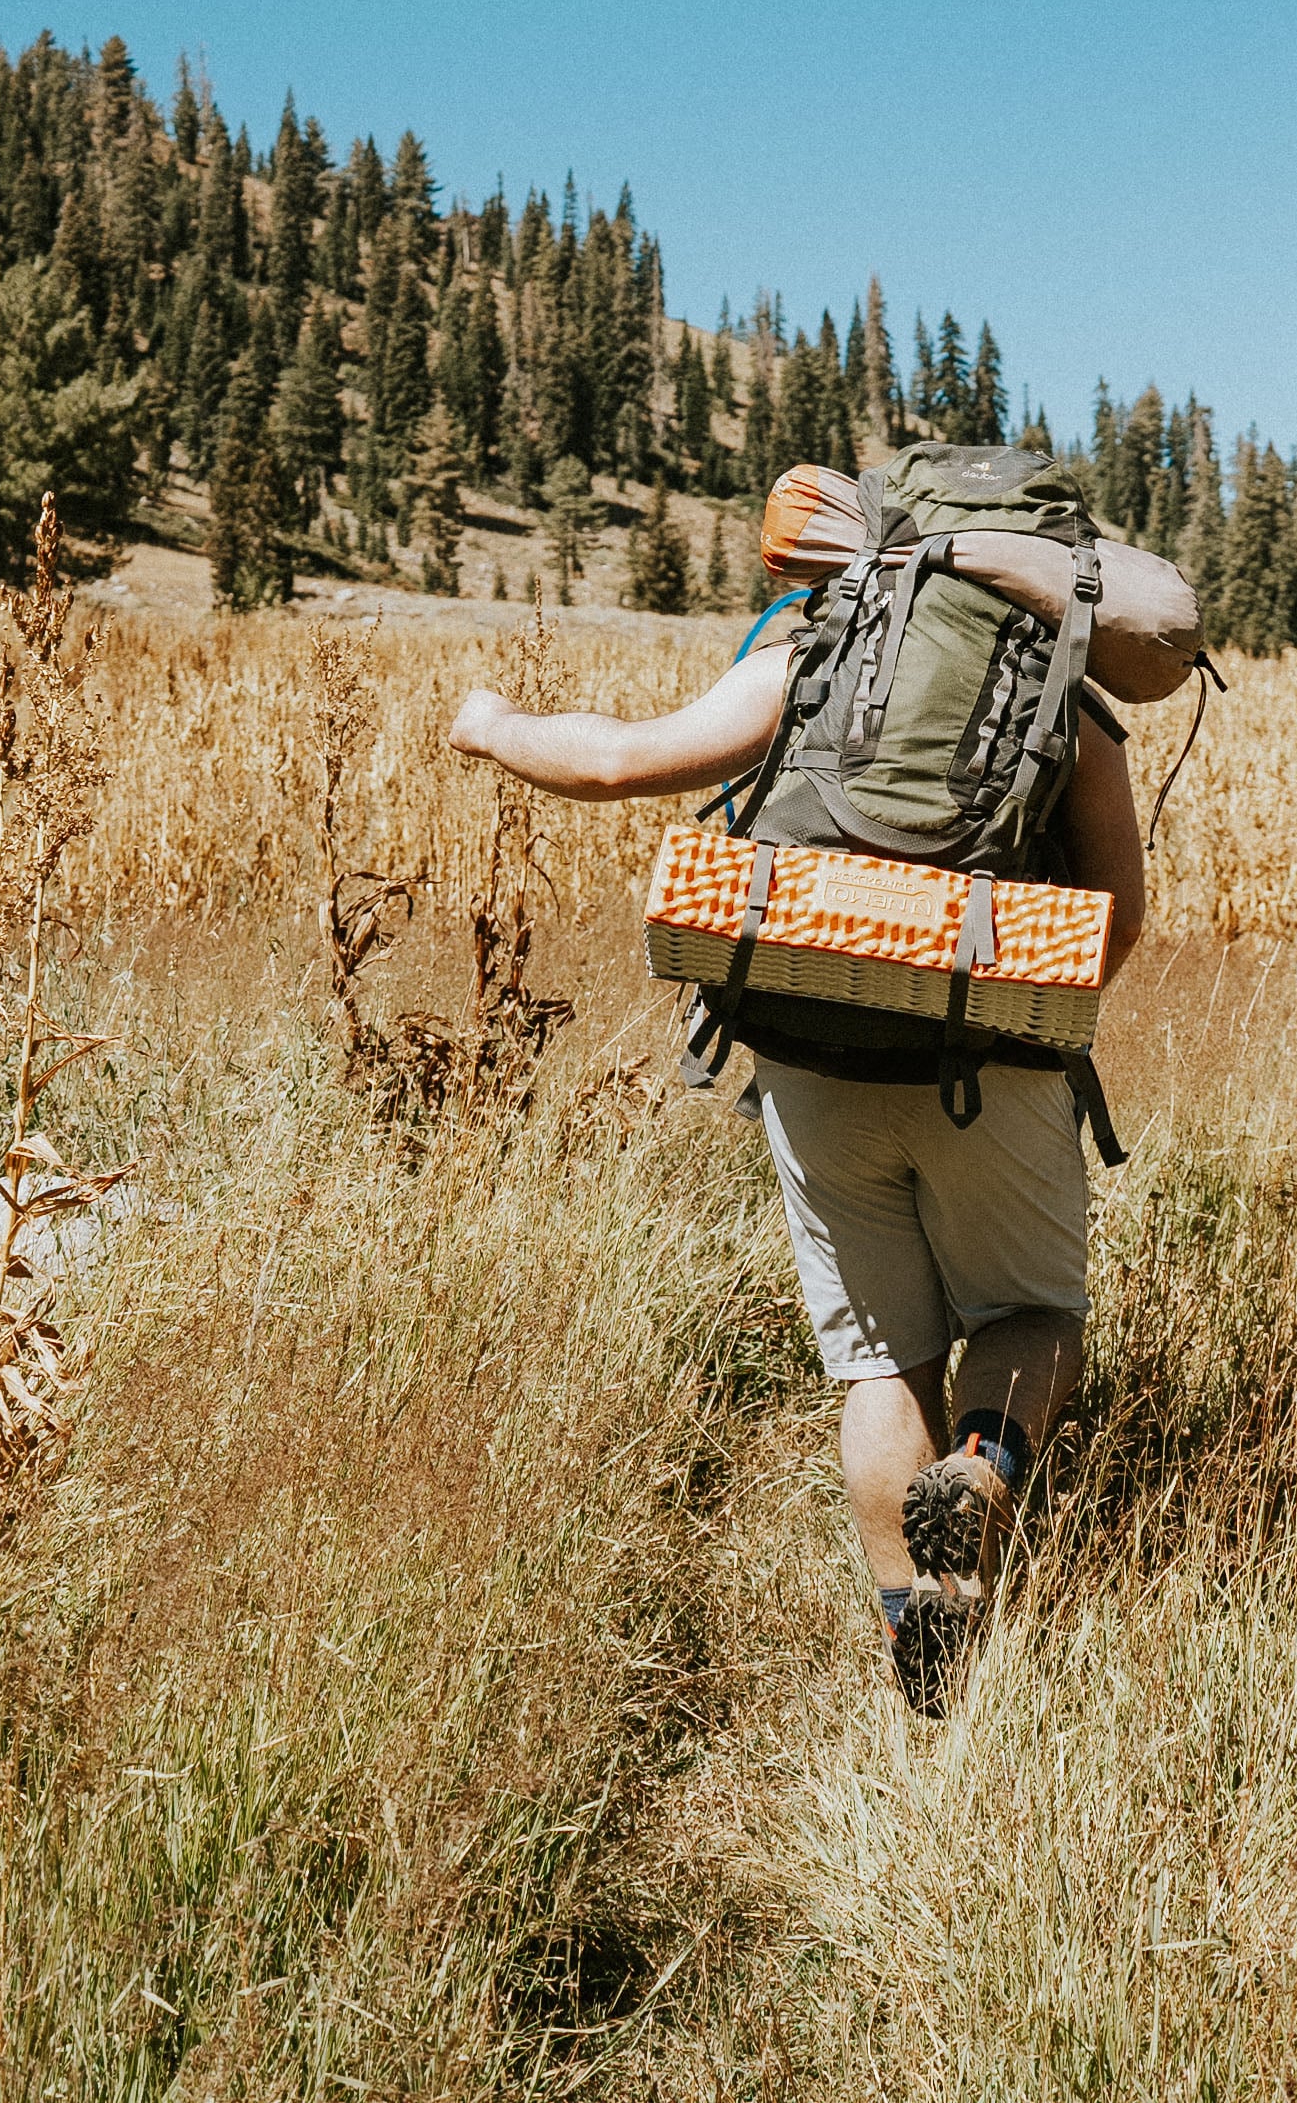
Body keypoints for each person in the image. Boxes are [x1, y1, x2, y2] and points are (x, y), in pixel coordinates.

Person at [450, 636, 1146, 1714]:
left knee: (882, 1361)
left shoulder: (813, 659)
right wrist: (972, 975)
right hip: (990, 1065)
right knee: (1030, 1314)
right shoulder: (1062, 693)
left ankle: (921, 1655)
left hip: (810, 1048)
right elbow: (1113, 933)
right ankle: (981, 1462)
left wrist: (491, 724)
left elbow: (614, 764)